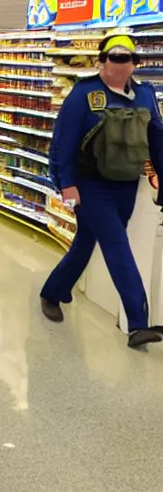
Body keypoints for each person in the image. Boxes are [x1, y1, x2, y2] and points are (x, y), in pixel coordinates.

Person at [40, 34, 163, 349]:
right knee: (116, 246)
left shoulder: (145, 96)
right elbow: (62, 145)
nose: (120, 66)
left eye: (126, 60)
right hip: (89, 186)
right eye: (113, 59)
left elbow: (158, 142)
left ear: (136, 63)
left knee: (86, 242)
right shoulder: (83, 95)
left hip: (124, 186)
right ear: (101, 62)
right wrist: (66, 187)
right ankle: (138, 323)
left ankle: (53, 291)